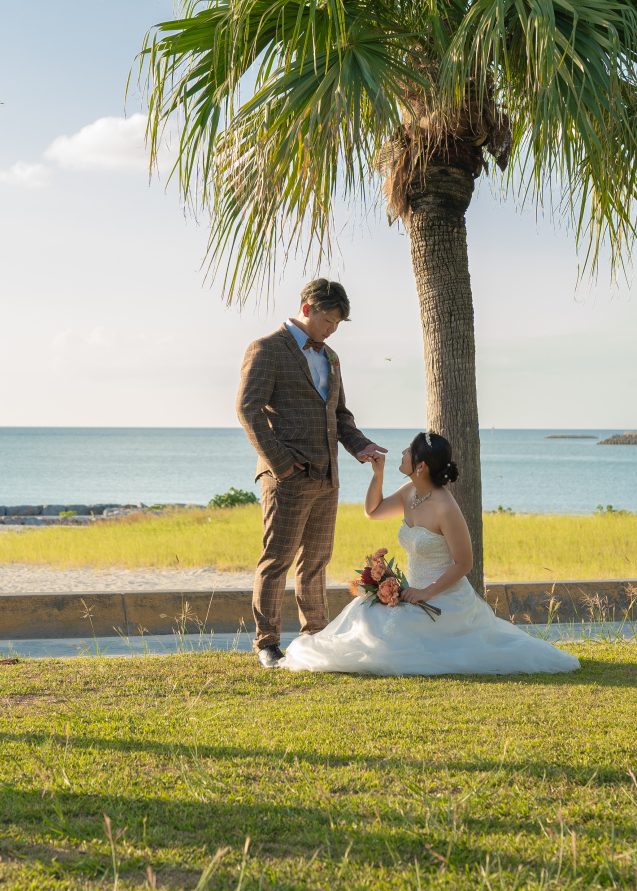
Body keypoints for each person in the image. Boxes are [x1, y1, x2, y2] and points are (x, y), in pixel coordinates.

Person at [281, 432, 580, 675]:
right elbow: (373, 511)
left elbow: (465, 563)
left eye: (409, 451)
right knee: (365, 613)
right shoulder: (410, 492)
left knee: (391, 638)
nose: (402, 453)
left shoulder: (445, 508)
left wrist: (426, 592)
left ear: (421, 465)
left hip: (444, 600)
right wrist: (379, 474)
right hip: (412, 593)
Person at [236, 278, 384, 668]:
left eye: (338, 323)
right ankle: (266, 643)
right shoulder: (266, 349)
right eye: (329, 320)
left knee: (316, 561)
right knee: (277, 560)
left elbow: (339, 414)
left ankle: (313, 638)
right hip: (285, 478)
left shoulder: (331, 357)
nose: (332, 329)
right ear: (307, 309)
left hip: (327, 477)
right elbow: (247, 411)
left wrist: (360, 446)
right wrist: (282, 464)